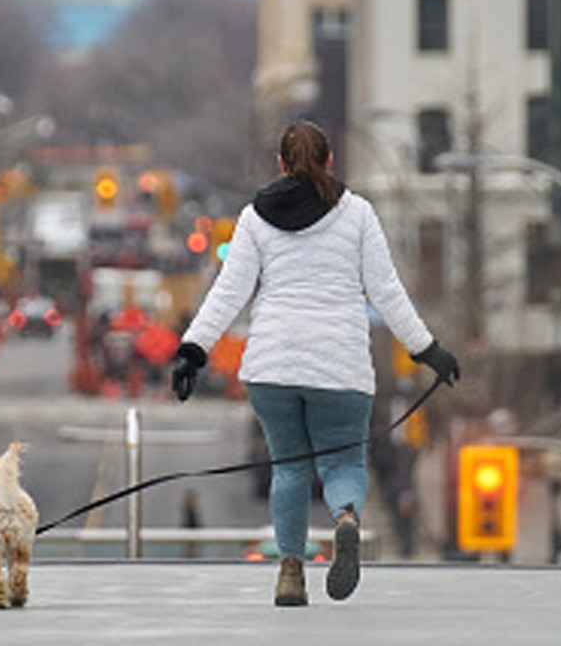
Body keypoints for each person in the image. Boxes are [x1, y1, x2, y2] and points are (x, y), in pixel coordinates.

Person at [168, 119, 459, 607]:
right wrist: (428, 349)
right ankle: (345, 517)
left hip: (272, 367)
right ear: (330, 160)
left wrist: (192, 351)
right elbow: (386, 292)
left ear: (281, 164)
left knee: (289, 470)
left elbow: (229, 292)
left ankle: (289, 574)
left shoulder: (254, 218)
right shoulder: (358, 215)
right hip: (339, 365)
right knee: (343, 460)